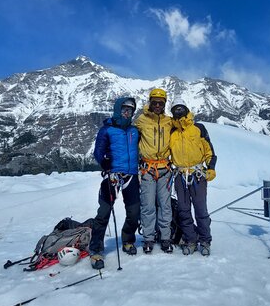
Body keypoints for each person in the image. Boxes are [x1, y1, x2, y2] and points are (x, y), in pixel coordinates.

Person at [89, 97, 140, 269]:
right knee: (104, 212)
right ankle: (95, 249)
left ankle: (128, 240)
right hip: (112, 175)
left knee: (134, 212)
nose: (127, 113)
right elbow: (98, 151)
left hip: (131, 175)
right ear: (118, 110)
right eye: (124, 109)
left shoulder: (134, 130)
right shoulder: (107, 130)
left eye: (130, 110)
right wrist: (105, 162)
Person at [169, 98, 217, 256]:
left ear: (186, 109)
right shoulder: (172, 132)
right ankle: (190, 240)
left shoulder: (198, 128)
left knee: (201, 210)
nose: (178, 112)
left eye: (181, 108)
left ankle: (205, 240)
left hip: (197, 175)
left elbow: (209, 151)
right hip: (180, 175)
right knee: (183, 210)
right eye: (175, 109)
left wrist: (211, 168)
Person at [134, 88, 173, 254]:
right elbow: (131, 137)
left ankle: (165, 238)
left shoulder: (169, 121)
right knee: (148, 206)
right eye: (154, 102)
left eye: (160, 103)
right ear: (150, 102)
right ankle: (148, 238)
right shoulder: (141, 120)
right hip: (147, 170)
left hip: (165, 169)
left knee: (165, 206)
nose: (157, 105)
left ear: (164, 104)